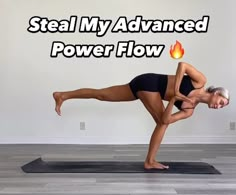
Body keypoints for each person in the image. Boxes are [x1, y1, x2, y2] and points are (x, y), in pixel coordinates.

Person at [53, 62, 230, 170]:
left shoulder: (189, 109)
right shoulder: (200, 81)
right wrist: (176, 90)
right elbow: (182, 64)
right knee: (161, 123)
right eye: (221, 102)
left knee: (102, 95)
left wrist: (172, 99)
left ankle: (63, 95)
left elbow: (167, 119)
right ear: (217, 93)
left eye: (222, 106)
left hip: (147, 88)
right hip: (149, 81)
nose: (218, 106)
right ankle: (150, 161)